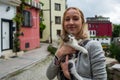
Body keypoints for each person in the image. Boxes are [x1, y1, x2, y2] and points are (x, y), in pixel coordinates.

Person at [46, 7, 107, 80]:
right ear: (63, 24)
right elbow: (49, 76)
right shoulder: (63, 46)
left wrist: (69, 75)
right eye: (67, 19)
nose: (71, 22)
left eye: (75, 18)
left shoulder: (93, 46)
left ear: (82, 22)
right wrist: (59, 53)